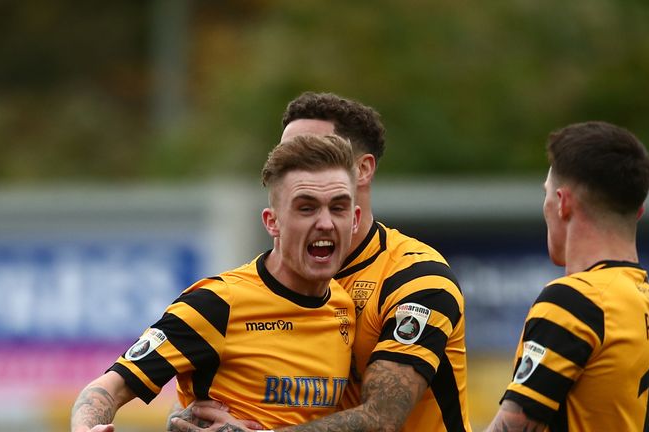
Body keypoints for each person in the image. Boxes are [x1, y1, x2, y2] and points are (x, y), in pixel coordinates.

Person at [170, 92, 471, 431]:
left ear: (363, 169)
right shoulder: (270, 285)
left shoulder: (417, 277)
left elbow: (382, 419)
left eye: (314, 148)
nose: (299, 160)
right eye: (288, 152)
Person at [70, 134, 362, 432]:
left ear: (354, 219)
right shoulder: (217, 304)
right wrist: (87, 428)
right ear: (272, 222)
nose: (325, 222)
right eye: (306, 208)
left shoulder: (346, 306)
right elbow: (110, 387)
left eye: (338, 208)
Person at [485, 121, 649, 432]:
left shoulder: (573, 303)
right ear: (638, 211)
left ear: (563, 203)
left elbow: (515, 425)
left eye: (547, 194)